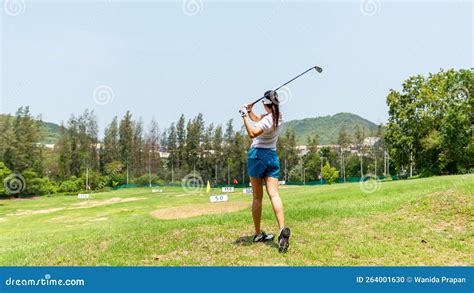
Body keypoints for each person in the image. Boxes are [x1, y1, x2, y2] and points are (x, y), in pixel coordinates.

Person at [239, 90, 291, 253]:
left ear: (266, 103)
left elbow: (252, 132)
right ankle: (282, 229)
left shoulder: (269, 119)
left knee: (257, 197)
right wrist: (249, 112)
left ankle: (257, 234)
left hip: (257, 157)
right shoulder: (278, 116)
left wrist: (243, 115)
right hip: (272, 157)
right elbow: (258, 119)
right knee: (274, 194)